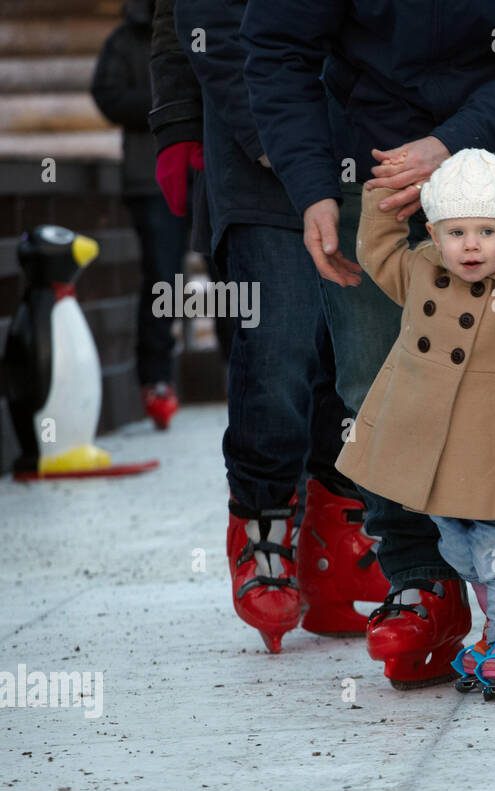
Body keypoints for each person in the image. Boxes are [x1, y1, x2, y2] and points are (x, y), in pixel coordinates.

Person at [241, 0, 495, 687]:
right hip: (372, 150)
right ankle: (419, 576)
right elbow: (277, 45)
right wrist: (312, 185)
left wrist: (457, 141)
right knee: (376, 380)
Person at [149, 0, 386, 653]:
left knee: (351, 349)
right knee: (279, 339)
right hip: (257, 143)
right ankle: (263, 523)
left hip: (358, 137)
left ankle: (336, 530)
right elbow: (194, 15)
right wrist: (178, 121)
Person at [338, 149, 495, 698]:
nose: (472, 245)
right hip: (433, 445)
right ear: (433, 231)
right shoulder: (419, 271)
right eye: (456, 232)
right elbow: (378, 249)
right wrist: (384, 200)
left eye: (486, 230)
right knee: (459, 546)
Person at [91, 0, 188, 430]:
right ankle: (158, 380)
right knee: (163, 279)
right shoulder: (123, 39)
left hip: (209, 175)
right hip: (150, 181)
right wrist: (169, 99)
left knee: (232, 278)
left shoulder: (204, 22)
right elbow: (107, 95)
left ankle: (238, 373)